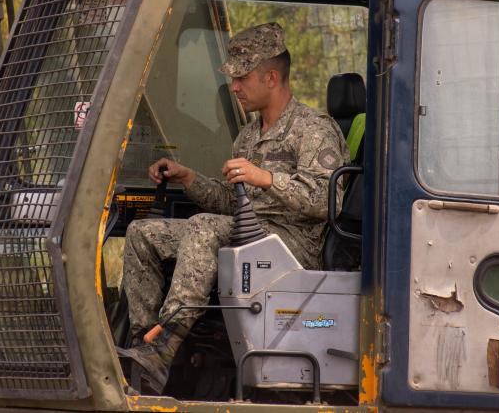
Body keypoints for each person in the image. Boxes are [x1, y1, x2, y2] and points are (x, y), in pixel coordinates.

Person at [117, 22, 348, 394]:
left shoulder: (313, 130)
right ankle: (148, 344)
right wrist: (189, 177)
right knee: (143, 234)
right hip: (248, 235)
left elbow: (325, 201)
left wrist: (266, 178)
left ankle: (168, 342)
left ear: (271, 77)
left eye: (242, 78)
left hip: (293, 245)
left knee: (205, 227)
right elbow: (231, 202)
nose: (234, 87)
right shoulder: (248, 135)